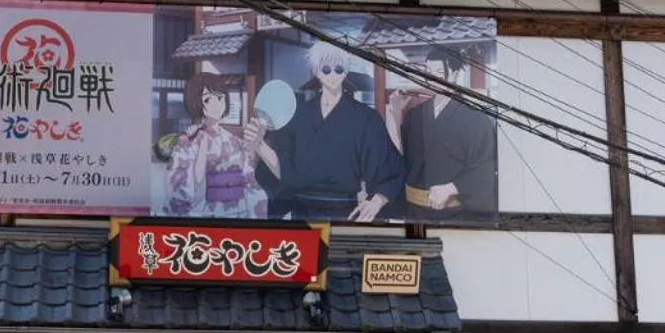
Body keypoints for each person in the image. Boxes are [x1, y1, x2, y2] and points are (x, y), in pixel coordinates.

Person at [251, 43, 403, 222]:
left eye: (339, 69)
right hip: (302, 213)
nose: (332, 74)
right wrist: (259, 145)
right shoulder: (299, 116)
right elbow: (286, 171)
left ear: (346, 71)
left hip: (344, 213)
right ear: (316, 71)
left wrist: (376, 202)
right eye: (326, 68)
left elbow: (388, 168)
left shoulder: (366, 117)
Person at [384, 44, 497, 223]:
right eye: (427, 71)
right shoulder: (416, 114)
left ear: (453, 74)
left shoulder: (475, 117)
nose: (429, 77)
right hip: (414, 212)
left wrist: (453, 187)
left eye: (437, 71)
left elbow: (487, 168)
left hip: (453, 215)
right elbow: (400, 157)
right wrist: (394, 114)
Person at [165, 73, 270, 217]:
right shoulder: (187, 141)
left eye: (220, 98)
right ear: (196, 103)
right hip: (207, 214)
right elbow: (182, 187)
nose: (217, 104)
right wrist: (202, 148)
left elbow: (249, 178)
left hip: (239, 212)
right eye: (208, 100)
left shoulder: (234, 141)